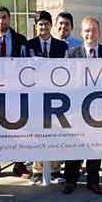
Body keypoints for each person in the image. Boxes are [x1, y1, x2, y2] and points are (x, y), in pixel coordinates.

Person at [63, 16, 102, 195]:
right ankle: (70, 180)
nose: (90, 34)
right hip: (77, 109)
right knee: (75, 143)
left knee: (96, 145)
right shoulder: (71, 54)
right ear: (81, 33)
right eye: (86, 30)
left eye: (93, 30)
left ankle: (93, 181)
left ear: (99, 33)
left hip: (100, 109)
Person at [0, 5, 31, 179]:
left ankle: (19, 165)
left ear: (9, 19)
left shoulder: (21, 39)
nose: (1, 21)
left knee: (18, 127)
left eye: (4, 17)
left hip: (16, 90)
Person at [26, 10, 69, 185]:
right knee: (37, 132)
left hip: (56, 95)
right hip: (35, 95)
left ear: (51, 25)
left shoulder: (61, 46)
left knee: (55, 132)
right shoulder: (28, 45)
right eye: (40, 24)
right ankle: (37, 169)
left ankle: (56, 168)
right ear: (36, 26)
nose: (43, 27)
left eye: (46, 23)